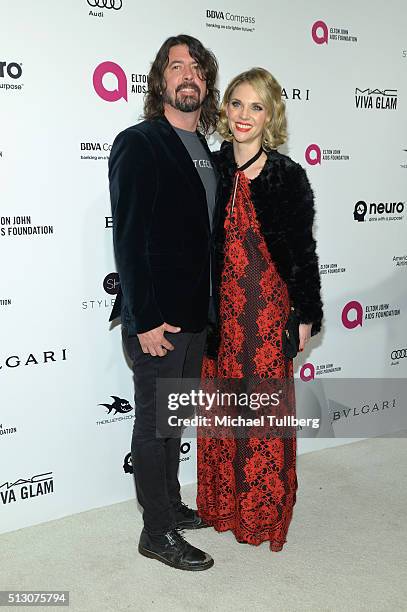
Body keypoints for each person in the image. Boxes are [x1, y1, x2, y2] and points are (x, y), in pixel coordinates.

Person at [197, 67, 323, 551]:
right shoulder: (211, 169)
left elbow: (301, 253)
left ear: (270, 116)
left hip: (268, 314)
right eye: (237, 103)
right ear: (225, 110)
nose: (245, 115)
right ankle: (222, 506)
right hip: (220, 316)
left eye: (257, 106)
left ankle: (262, 515)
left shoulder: (287, 176)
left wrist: (305, 312)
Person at [108, 34, 219, 571]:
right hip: (158, 320)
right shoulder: (140, 141)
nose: (187, 74)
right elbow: (128, 238)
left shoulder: (209, 154)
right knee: (156, 424)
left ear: (207, 81)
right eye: (177, 66)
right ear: (160, 81)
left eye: (196, 67)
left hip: (195, 318)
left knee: (174, 420)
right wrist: (144, 318)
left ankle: (171, 505)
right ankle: (156, 533)